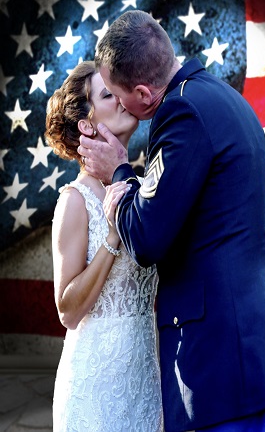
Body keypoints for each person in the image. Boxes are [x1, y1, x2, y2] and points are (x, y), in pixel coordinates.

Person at [77, 10, 265, 432]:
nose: (119, 103)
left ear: (143, 93)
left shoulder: (181, 113)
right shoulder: (225, 96)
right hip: (255, 352)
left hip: (219, 368)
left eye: (118, 94)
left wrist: (120, 174)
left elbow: (146, 239)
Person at [44, 60, 163, 432]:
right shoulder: (75, 201)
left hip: (147, 384)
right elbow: (67, 311)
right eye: (109, 94)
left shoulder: (144, 187)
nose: (123, 98)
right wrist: (112, 239)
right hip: (94, 389)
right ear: (86, 124)